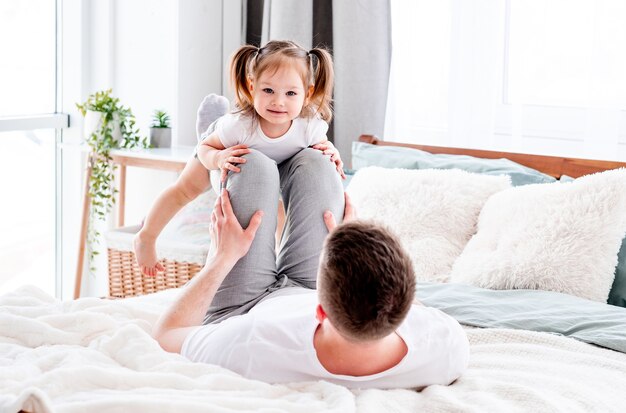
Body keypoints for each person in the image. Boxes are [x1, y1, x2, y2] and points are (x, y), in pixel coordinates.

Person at [152, 148, 470, 389]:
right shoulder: (446, 344)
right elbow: (394, 298)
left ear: (319, 311)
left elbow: (167, 335)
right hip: (318, 296)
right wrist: (353, 247)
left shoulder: (250, 342)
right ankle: (288, 142)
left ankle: (225, 142)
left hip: (244, 307)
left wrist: (222, 257)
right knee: (317, 163)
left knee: (251, 165)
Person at [134, 39, 345, 276]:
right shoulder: (240, 126)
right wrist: (219, 158)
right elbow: (206, 148)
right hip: (226, 146)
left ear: (307, 94)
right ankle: (146, 236)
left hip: (274, 169)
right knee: (185, 189)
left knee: (276, 210)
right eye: (268, 90)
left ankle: (277, 266)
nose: (278, 101)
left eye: (290, 93)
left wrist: (333, 153)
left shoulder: (309, 127)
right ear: (252, 86)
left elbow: (323, 146)